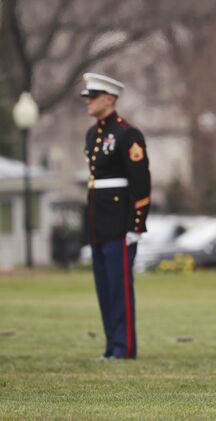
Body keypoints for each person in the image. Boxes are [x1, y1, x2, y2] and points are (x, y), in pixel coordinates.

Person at [80, 73, 151, 360]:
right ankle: (111, 346)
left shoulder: (127, 134)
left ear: (109, 99)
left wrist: (136, 225)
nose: (88, 102)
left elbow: (140, 183)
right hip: (100, 223)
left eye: (93, 97)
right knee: (104, 288)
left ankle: (124, 349)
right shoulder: (92, 134)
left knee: (119, 289)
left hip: (121, 225)